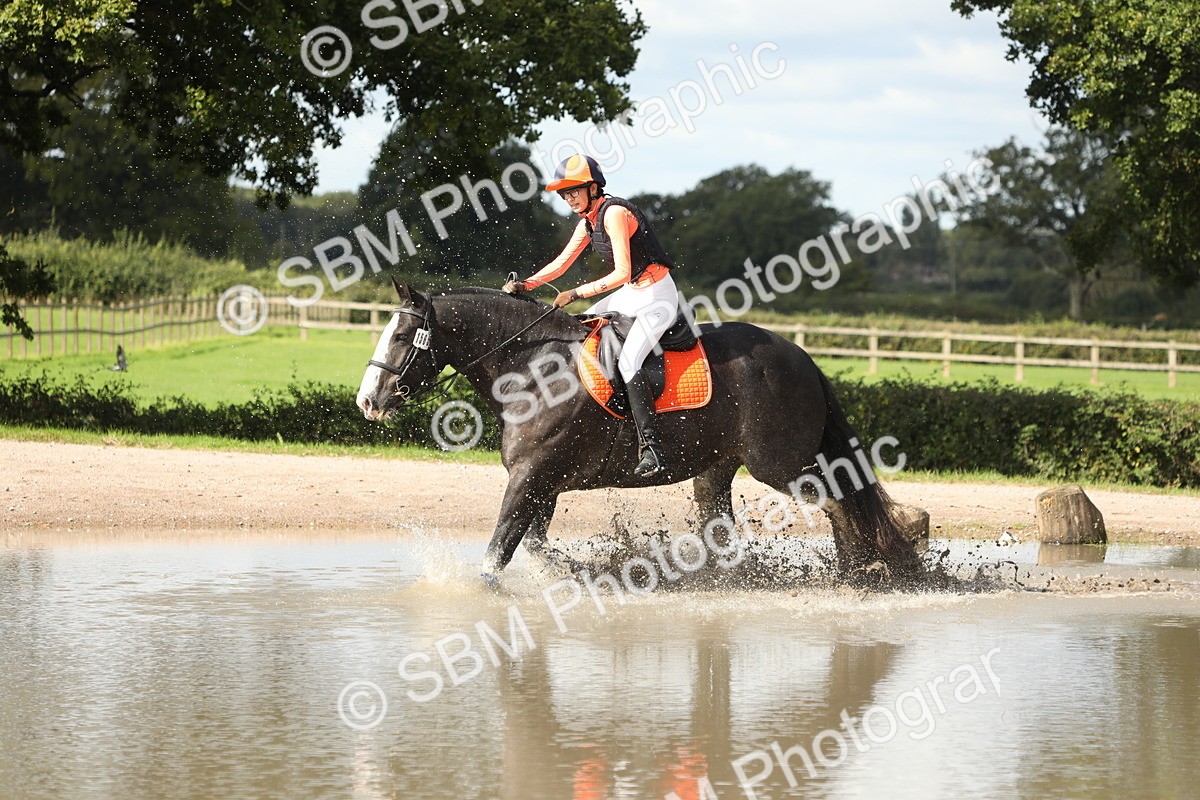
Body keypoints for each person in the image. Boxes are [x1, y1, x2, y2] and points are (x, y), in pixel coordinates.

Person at [504, 153, 678, 478]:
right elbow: (561, 263)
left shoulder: (614, 214)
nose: (569, 198)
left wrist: (577, 292)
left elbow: (623, 272)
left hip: (657, 296)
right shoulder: (588, 220)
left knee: (629, 362)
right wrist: (526, 284)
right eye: (564, 194)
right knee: (581, 326)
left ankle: (653, 448)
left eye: (574, 191)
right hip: (634, 293)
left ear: (593, 188)